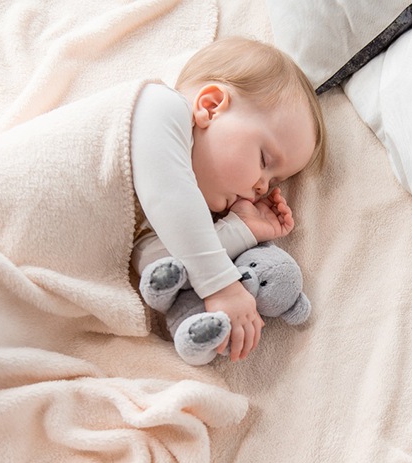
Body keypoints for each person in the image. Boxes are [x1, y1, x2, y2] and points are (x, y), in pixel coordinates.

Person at [129, 36, 326, 362]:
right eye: (264, 160)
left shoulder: (166, 223)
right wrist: (222, 285)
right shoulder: (159, 107)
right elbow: (169, 195)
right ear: (210, 106)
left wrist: (242, 230)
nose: (263, 187)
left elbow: (175, 258)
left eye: (275, 181)